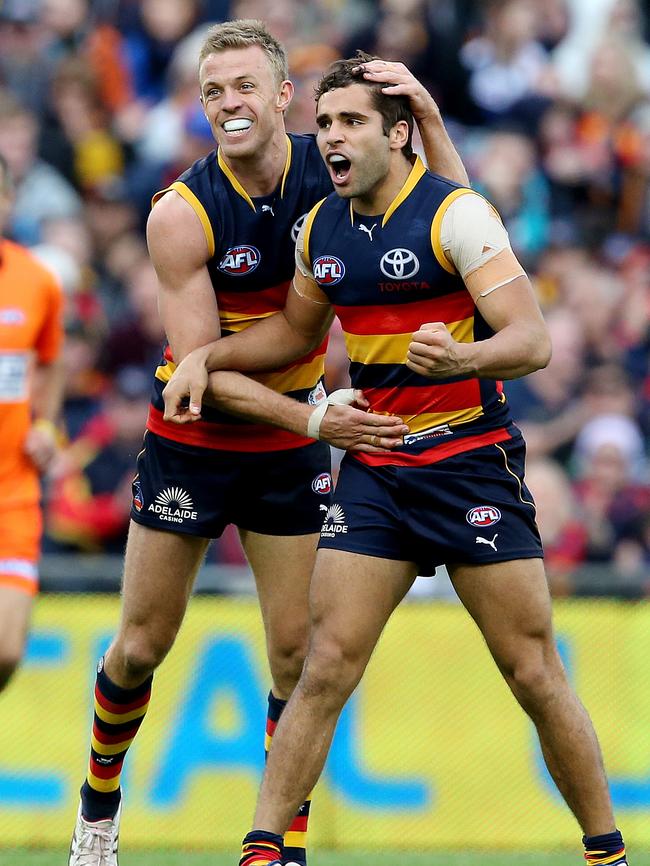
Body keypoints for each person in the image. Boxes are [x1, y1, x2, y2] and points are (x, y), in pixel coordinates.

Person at [163, 56, 629, 866]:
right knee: (323, 666)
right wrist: (211, 358)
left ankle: (607, 852)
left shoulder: (458, 217)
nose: (332, 140)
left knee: (531, 671)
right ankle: (262, 850)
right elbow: (295, 337)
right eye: (328, 123)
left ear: (399, 134)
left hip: (470, 463)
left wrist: (462, 361)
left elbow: (534, 341)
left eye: (351, 124)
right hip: (378, 469)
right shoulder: (321, 230)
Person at [68, 20, 469, 866]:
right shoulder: (178, 214)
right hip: (195, 439)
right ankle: (97, 817)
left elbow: (445, 221)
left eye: (244, 86)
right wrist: (314, 418)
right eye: (213, 91)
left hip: (287, 442)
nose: (228, 104)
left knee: (297, 654)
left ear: (286, 95)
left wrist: (429, 117)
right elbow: (199, 376)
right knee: (140, 645)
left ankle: (276, 847)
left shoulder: (334, 179)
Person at [0, 153, 65, 692]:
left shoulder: (36, 282)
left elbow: (52, 361)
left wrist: (46, 425)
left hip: (11, 493)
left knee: (5, 649)